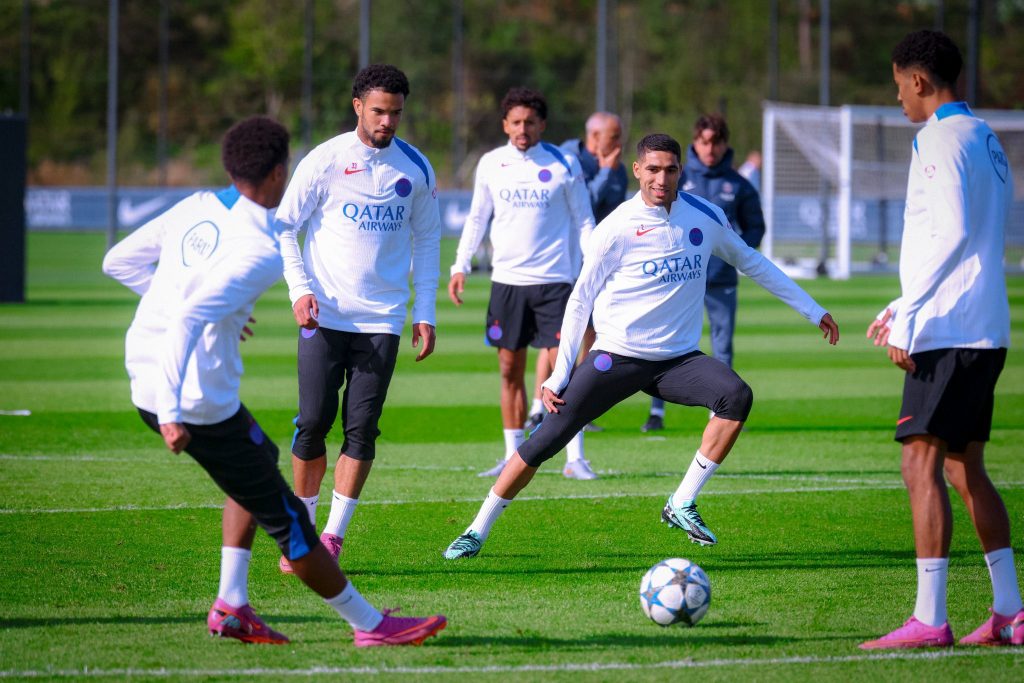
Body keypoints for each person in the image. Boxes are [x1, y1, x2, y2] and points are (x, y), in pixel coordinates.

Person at [102, 116, 446, 647]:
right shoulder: (261, 249)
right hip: (193, 400)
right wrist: (171, 410)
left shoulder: (195, 205)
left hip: (147, 378)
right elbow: (191, 319)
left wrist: (185, 309)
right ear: (280, 172)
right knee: (290, 523)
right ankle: (371, 627)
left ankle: (232, 604)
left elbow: (118, 262)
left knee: (260, 462)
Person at [443, 133, 839, 560]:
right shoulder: (616, 227)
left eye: (670, 169)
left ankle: (682, 502)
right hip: (618, 356)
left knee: (736, 395)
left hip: (678, 361)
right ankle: (476, 529)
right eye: (652, 169)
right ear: (637, 170)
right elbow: (580, 300)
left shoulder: (705, 216)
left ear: (680, 171)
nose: (661, 178)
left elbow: (752, 262)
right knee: (547, 438)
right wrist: (560, 374)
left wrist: (812, 310)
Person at [860, 30, 1022, 650]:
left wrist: (911, 314)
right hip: (983, 324)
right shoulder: (986, 137)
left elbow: (951, 230)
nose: (897, 95)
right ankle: (1009, 612)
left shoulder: (935, 137)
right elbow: (969, 234)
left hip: (949, 327)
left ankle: (930, 620)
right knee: (964, 467)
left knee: (918, 462)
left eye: (899, 83)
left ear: (919, 81)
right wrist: (906, 303)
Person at [276, 65, 441, 572]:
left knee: (362, 430)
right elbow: (286, 227)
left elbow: (429, 239)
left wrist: (426, 312)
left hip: (383, 318)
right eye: (378, 111)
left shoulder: (415, 168)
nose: (387, 121)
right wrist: (299, 290)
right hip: (324, 314)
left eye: (395, 112)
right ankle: (302, 533)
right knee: (312, 425)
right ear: (357, 107)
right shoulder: (324, 160)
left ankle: (332, 538)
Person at [448, 87, 598, 480]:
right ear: (505, 125)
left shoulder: (565, 164)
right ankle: (512, 455)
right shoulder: (491, 163)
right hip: (507, 284)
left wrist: (596, 268)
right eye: (515, 122)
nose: (522, 129)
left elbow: (584, 220)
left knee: (565, 371)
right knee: (509, 370)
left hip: (555, 283)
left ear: (542, 125)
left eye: (530, 122)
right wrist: (460, 265)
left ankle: (574, 457)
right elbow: (477, 219)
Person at [641, 114, 765, 433]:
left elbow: (755, 227)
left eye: (716, 142)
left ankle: (721, 411)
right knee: (663, 342)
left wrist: (734, 254)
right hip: (678, 280)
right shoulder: (676, 176)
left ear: (725, 145)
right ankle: (657, 412)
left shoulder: (739, 184)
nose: (710, 149)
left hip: (721, 280)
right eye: (704, 141)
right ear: (696, 142)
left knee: (722, 346)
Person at [518, 111, 630, 437]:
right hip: (564, 262)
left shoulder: (618, 168)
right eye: (615, 135)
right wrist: (606, 174)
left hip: (601, 264)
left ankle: (575, 402)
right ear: (595, 137)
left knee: (591, 334)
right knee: (555, 337)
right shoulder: (567, 161)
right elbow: (583, 208)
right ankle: (539, 407)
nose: (619, 142)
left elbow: (614, 212)